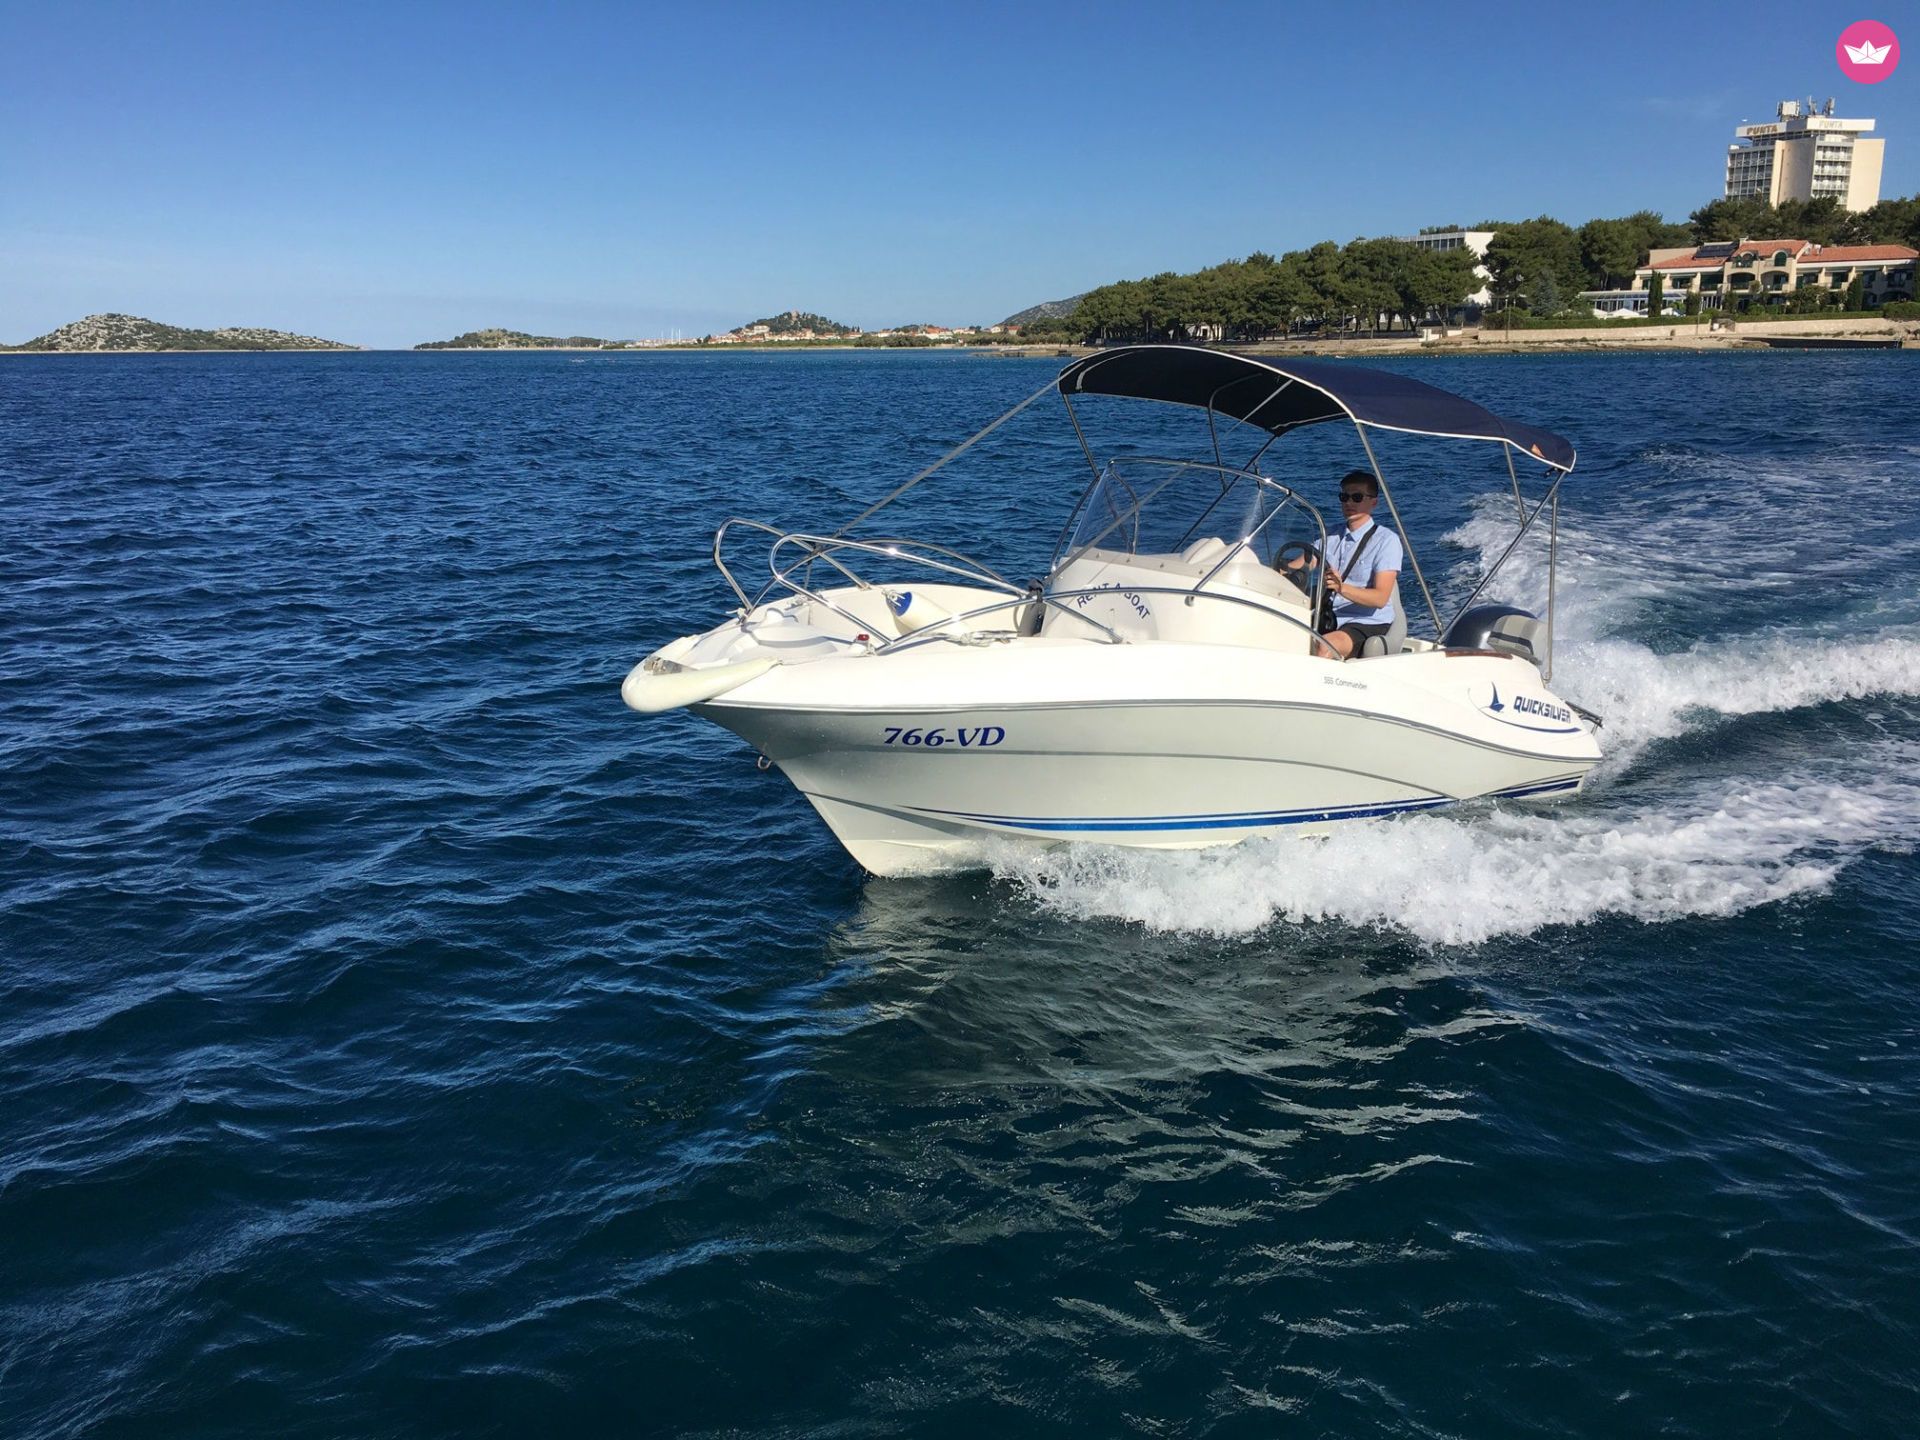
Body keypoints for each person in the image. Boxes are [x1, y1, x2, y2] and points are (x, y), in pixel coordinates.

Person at [1319, 470, 1402, 660]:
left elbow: (1380, 598)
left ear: (1373, 502)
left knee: (1324, 647)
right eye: (1344, 497)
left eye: (1356, 497)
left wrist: (1341, 588)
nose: (1349, 503)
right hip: (1328, 614)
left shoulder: (1387, 541)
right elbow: (1304, 562)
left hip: (1367, 620)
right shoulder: (1329, 535)